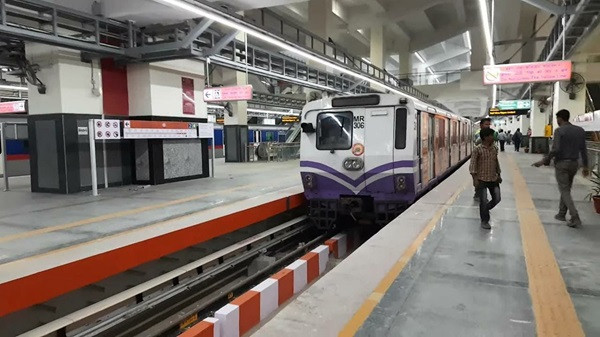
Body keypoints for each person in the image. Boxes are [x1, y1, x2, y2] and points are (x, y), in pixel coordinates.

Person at [533, 109, 590, 227]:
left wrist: (544, 160)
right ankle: (561, 214)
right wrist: (585, 166)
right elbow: (584, 150)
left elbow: (556, 149)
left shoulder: (559, 131)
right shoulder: (580, 131)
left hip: (562, 164)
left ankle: (575, 217)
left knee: (564, 190)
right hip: (574, 164)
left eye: (557, 118)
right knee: (566, 189)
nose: (557, 121)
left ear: (560, 118)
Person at [470, 128, 502, 229]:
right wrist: (474, 179)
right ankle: (484, 221)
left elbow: (496, 162)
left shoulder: (495, 148)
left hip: (493, 178)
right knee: (483, 200)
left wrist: (499, 174)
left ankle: (485, 209)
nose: (493, 137)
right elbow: (473, 165)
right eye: (492, 135)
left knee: (497, 198)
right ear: (486, 137)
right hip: (481, 179)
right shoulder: (477, 149)